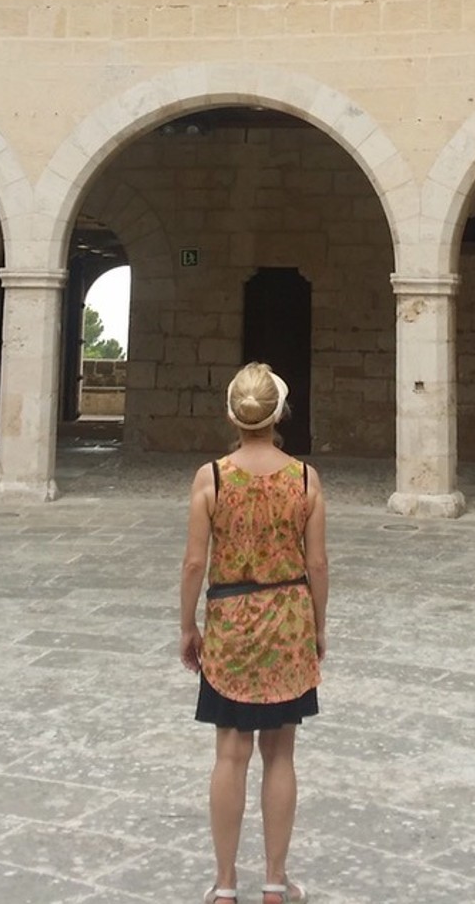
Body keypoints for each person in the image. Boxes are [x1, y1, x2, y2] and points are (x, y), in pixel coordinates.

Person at [180, 362, 328, 904]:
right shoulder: (306, 478)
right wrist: (318, 627)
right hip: (289, 616)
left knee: (229, 753)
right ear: (280, 414)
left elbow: (195, 562)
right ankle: (274, 879)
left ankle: (224, 884)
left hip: (230, 621)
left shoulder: (211, 478)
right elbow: (318, 564)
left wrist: (186, 626)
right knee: (281, 754)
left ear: (232, 414)